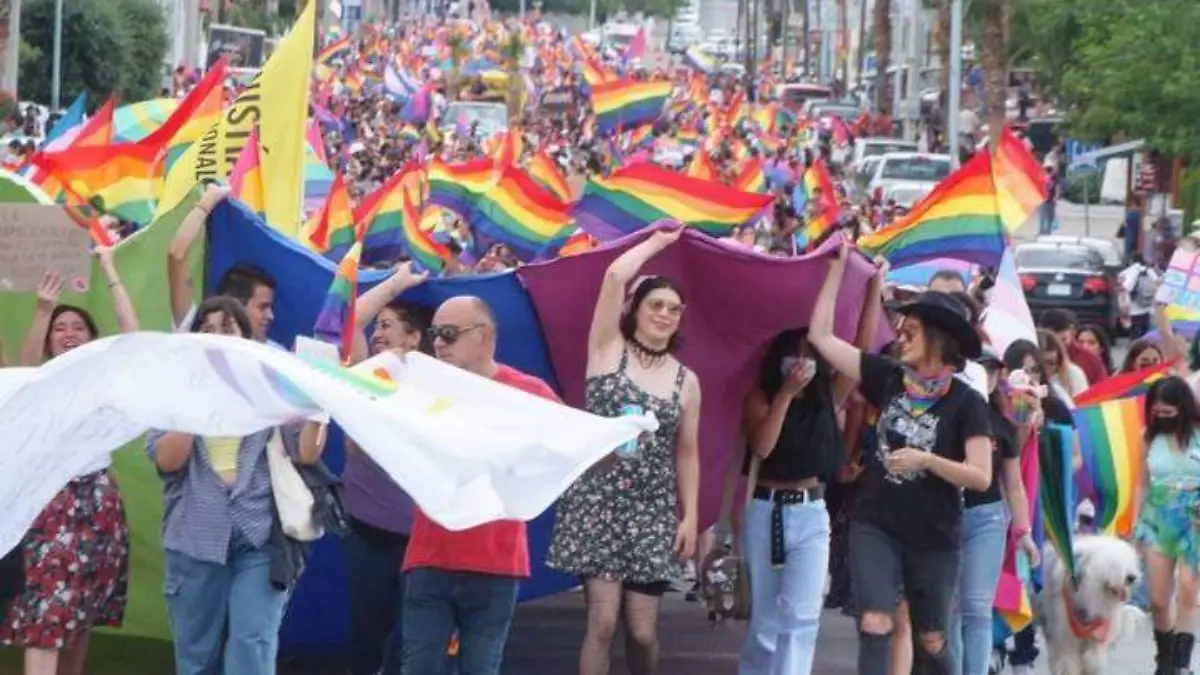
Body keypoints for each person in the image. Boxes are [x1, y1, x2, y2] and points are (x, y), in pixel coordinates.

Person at [809, 241, 992, 675]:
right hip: (876, 524)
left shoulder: (966, 403)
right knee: (875, 622)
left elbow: (981, 477)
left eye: (911, 330)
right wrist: (834, 270)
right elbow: (820, 337)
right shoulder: (888, 378)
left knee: (931, 641)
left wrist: (927, 461)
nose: (901, 336)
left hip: (933, 536)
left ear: (937, 338)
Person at [547, 227, 701, 675]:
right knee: (601, 622)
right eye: (656, 304)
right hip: (597, 501)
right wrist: (658, 242)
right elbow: (614, 277)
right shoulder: (607, 349)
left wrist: (689, 515)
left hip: (652, 508)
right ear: (635, 310)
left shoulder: (686, 381)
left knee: (642, 632)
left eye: (674, 309)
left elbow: (687, 451)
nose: (665, 314)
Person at [146, 296, 327, 675]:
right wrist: (196, 398)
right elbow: (168, 460)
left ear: (246, 338)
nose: (216, 336)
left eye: (226, 328)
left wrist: (318, 404)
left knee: (252, 642)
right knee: (197, 656)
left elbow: (306, 452)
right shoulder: (175, 392)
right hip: (195, 539)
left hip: (259, 537)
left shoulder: (269, 387)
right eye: (207, 330)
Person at [401, 295, 561, 675]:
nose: (438, 342)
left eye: (449, 334)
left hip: (495, 561)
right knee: (419, 668)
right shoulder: (418, 389)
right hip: (430, 555)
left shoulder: (529, 393)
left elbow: (571, 441)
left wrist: (617, 438)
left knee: (480, 668)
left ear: (485, 336)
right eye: (435, 333)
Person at [2, 250, 138, 675]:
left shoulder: (105, 383)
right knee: (45, 613)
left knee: (81, 614)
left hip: (100, 505)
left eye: (78, 327)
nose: (69, 333)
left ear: (92, 339)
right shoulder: (38, 386)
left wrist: (111, 267)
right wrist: (43, 308)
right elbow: (23, 368)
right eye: (60, 328)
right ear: (48, 340)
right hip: (50, 504)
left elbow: (133, 338)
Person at [342, 264, 431, 675]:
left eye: (388, 326)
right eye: (378, 326)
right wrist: (394, 284)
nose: (377, 333)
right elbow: (351, 320)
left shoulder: (434, 388)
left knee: (415, 640)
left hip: (420, 541)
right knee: (368, 636)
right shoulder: (364, 376)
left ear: (414, 338)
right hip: (367, 534)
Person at [946, 347, 1038, 675]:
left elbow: (1014, 485)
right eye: (979, 369)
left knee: (977, 608)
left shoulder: (1001, 424)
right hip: (942, 517)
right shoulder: (943, 413)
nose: (985, 378)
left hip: (987, 519)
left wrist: (1024, 534)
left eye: (992, 372)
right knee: (949, 609)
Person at [1135, 376, 1200, 675]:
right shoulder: (1148, 437)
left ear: (1183, 408)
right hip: (1158, 519)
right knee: (1159, 599)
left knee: (1188, 589)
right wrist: (1135, 524)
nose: (1161, 417)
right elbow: (1141, 484)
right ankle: (1164, 657)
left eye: (1168, 411)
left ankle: (1181, 663)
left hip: (1195, 520)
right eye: (1156, 411)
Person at [167, 184, 278, 344]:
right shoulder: (193, 337)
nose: (270, 316)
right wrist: (207, 202)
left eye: (227, 330)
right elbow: (177, 256)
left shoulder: (273, 356)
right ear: (238, 304)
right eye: (262, 307)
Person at [1038, 309, 1107, 387]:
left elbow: (1103, 391)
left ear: (1072, 331)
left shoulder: (1090, 360)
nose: (1059, 346)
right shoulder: (1031, 357)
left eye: (1063, 339)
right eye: (1052, 341)